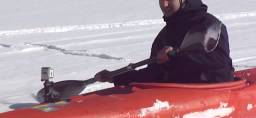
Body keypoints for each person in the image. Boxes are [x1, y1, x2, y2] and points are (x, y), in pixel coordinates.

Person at [95, 0, 234, 86]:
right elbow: (153, 74)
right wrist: (116, 77)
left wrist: (177, 55)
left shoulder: (209, 25)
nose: (164, 4)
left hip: (210, 94)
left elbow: (221, 67)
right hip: (174, 97)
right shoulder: (164, 36)